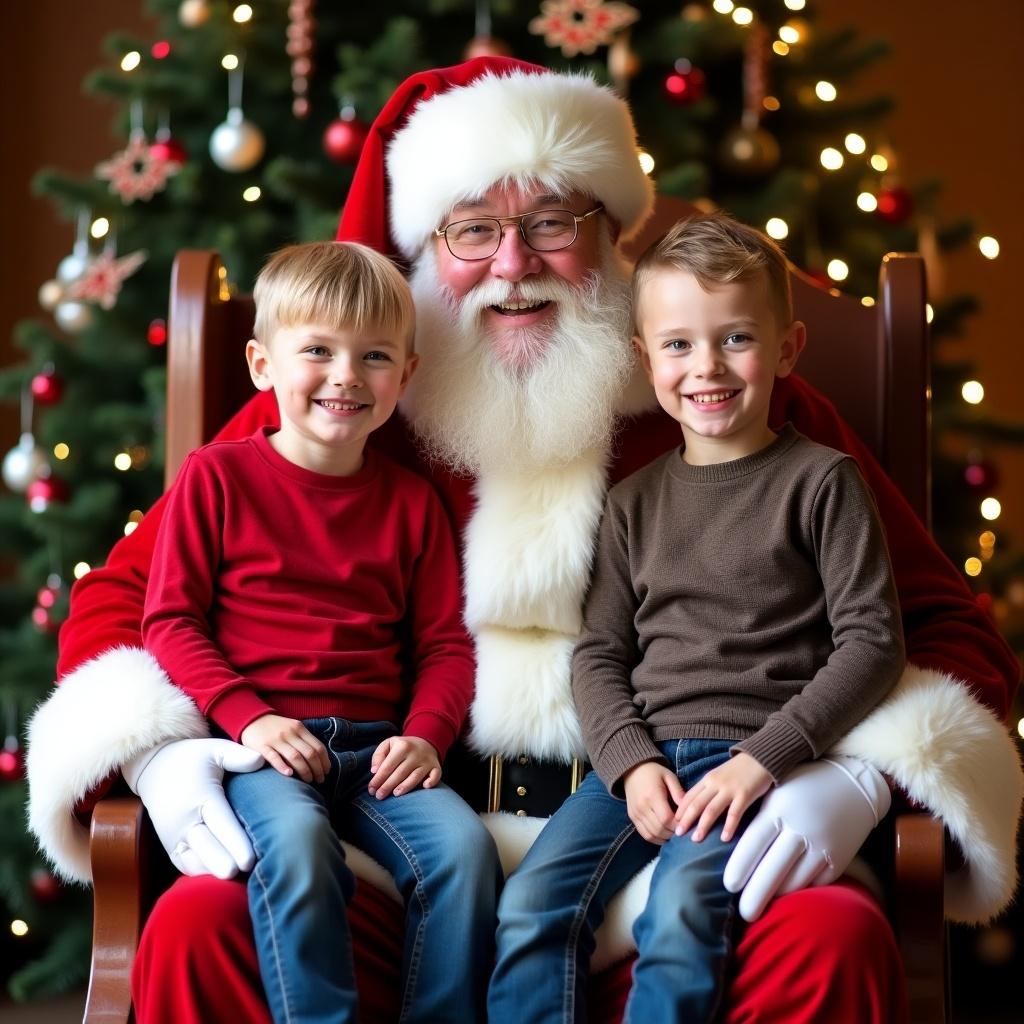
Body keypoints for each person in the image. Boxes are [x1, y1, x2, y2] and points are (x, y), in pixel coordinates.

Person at [26, 57, 1021, 1024]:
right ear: (424, 247)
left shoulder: (725, 399)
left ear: (608, 232)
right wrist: (161, 752)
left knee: (829, 939)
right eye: (473, 230)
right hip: (385, 834)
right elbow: (124, 603)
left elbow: (939, 626)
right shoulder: (348, 400)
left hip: (679, 822)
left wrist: (859, 775)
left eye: (552, 222)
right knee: (204, 926)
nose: (513, 264)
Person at [488, 213, 907, 1023]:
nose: (706, 366)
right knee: (529, 906)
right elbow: (599, 656)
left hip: (751, 762)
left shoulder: (823, 483)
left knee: (680, 915)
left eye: (736, 339)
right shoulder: (630, 504)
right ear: (645, 362)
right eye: (678, 344)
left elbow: (873, 643)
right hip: (641, 767)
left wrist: (765, 760)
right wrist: (630, 764)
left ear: (786, 349)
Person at [139, 240, 501, 1023]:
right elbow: (169, 620)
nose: (346, 376)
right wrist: (250, 717)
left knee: (465, 856)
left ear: (404, 376)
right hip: (263, 749)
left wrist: (428, 736)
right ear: (262, 365)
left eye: (374, 356)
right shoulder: (217, 477)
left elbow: (446, 644)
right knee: (298, 853)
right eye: (317, 351)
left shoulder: (410, 503)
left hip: (377, 751)